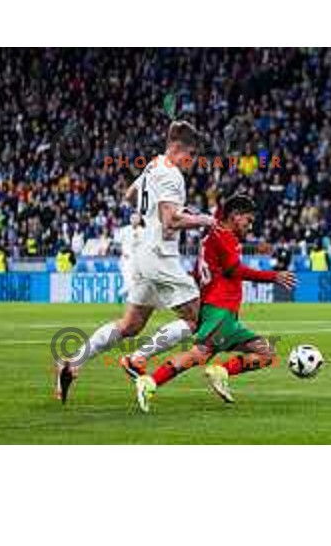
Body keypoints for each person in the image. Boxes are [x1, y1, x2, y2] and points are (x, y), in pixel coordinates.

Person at [55, 120, 215, 402]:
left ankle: (72, 361)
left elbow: (130, 195)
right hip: (159, 255)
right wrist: (206, 220)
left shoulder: (153, 165)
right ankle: (136, 359)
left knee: (130, 325)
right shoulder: (171, 174)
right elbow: (169, 221)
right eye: (190, 156)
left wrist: (147, 213)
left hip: (142, 253)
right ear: (178, 149)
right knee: (198, 319)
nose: (192, 163)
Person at [132, 194, 296, 412]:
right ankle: (150, 382)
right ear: (235, 216)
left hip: (219, 311)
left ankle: (220, 372)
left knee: (266, 353)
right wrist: (272, 276)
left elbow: (199, 274)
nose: (250, 225)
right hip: (221, 310)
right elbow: (234, 270)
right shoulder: (225, 236)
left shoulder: (211, 236)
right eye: (248, 220)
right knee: (197, 354)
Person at [114, 211, 146, 296]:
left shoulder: (143, 231)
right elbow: (117, 244)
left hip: (138, 260)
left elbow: (145, 246)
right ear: (130, 219)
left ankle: (122, 294)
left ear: (139, 220)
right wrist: (122, 252)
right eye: (133, 218)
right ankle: (122, 294)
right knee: (129, 281)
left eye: (136, 218)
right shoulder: (124, 230)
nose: (134, 220)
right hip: (126, 259)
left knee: (135, 282)